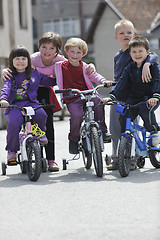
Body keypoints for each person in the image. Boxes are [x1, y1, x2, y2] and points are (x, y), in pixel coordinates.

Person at [2, 32, 96, 172]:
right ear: (39, 47)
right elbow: (11, 78)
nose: (47, 51)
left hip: (42, 92)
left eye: (52, 48)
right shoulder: (31, 59)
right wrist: (5, 72)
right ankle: (19, 151)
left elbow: (74, 63)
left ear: (57, 50)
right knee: (17, 122)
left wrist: (89, 67)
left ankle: (50, 158)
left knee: (46, 120)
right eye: (44, 47)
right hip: (22, 97)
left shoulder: (58, 61)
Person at [107, 19, 158, 170]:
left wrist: (147, 64)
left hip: (133, 96)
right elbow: (120, 76)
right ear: (116, 37)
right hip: (119, 94)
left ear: (133, 34)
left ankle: (132, 158)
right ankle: (116, 158)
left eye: (129, 32)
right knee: (115, 128)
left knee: (132, 127)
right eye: (122, 33)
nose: (126, 35)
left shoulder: (137, 52)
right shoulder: (118, 56)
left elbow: (152, 55)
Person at [51, 37, 112, 154]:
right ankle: (73, 140)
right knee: (77, 116)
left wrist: (103, 81)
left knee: (99, 103)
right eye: (72, 52)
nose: (75, 55)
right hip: (72, 98)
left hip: (87, 94)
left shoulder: (85, 67)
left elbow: (95, 76)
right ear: (66, 51)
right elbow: (45, 69)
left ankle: (103, 131)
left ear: (83, 54)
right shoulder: (59, 66)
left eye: (78, 52)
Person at [0, 46, 57, 164]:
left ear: (28, 60)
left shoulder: (34, 73)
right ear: (11, 61)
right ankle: (12, 151)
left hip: (31, 103)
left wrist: (61, 79)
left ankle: (41, 133)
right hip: (15, 105)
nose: (20, 62)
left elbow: (48, 81)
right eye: (17, 59)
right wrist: (4, 99)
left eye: (23, 59)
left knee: (41, 114)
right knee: (13, 124)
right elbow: (6, 87)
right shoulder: (10, 74)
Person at [103, 36, 160, 150]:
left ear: (147, 52)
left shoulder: (153, 67)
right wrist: (112, 96)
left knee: (145, 111)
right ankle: (127, 138)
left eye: (140, 51)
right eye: (134, 52)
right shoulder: (129, 68)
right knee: (124, 115)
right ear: (130, 54)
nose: (137, 54)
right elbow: (122, 83)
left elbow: (157, 81)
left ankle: (154, 132)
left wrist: (155, 95)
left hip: (149, 98)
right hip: (134, 98)